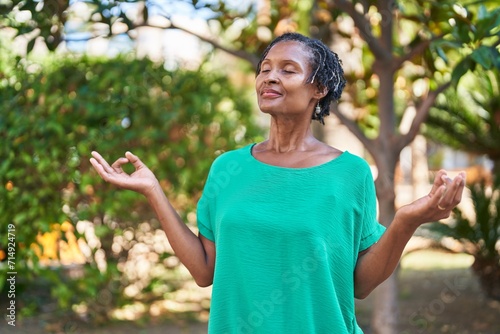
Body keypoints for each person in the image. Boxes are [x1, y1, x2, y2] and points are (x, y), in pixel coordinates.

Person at [90, 32, 466, 333]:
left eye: (288, 69)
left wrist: (405, 221)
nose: (270, 76)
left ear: (318, 89)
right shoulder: (227, 168)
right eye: (265, 68)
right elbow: (205, 271)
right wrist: (154, 191)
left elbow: (360, 285)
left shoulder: (350, 173)